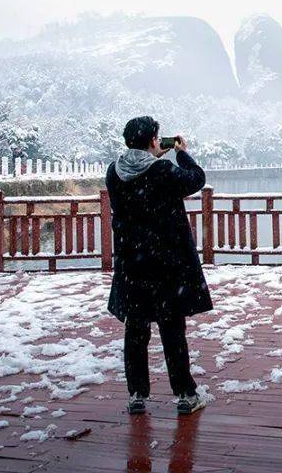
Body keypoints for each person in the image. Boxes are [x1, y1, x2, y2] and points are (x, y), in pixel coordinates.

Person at [106, 116, 213, 415]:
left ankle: (137, 394)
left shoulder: (114, 172)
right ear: (154, 140)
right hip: (165, 264)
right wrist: (181, 153)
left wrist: (154, 158)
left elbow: (139, 177)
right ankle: (185, 394)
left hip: (132, 263)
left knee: (136, 330)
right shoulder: (162, 171)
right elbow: (196, 179)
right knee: (172, 329)